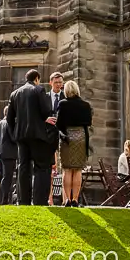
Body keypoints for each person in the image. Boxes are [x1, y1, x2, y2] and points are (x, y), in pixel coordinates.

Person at [7, 69, 58, 206]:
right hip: (37, 135)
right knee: (41, 167)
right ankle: (39, 200)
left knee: (23, 167)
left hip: (21, 137)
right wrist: (44, 120)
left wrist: (14, 135)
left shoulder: (14, 94)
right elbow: (46, 111)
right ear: (37, 79)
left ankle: (23, 200)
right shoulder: (38, 90)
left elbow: (9, 119)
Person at [56, 79, 93, 207]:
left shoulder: (63, 104)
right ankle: (75, 199)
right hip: (81, 136)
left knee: (67, 169)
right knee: (77, 169)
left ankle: (67, 199)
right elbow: (88, 122)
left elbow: (58, 124)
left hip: (67, 137)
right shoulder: (86, 105)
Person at [0, 105, 18, 205]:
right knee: (7, 177)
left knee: (1, 177)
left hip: (0, 153)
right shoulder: (9, 123)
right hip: (9, 153)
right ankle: (4, 200)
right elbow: (13, 138)